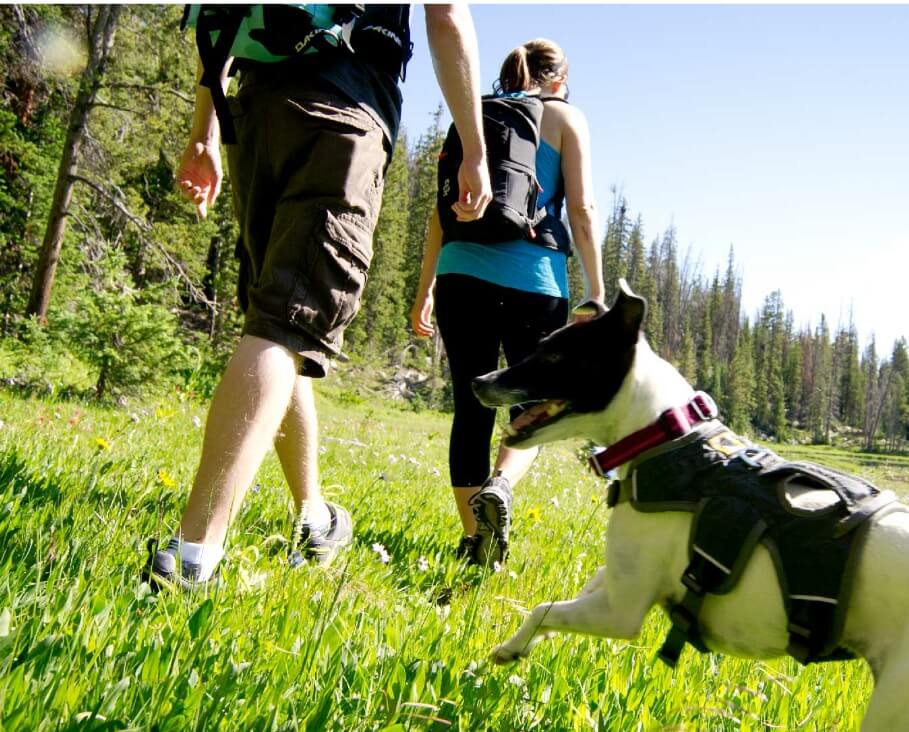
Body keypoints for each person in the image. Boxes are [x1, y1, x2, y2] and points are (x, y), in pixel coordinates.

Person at [143, 4, 492, 590]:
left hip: (256, 107)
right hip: (344, 106)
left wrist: (204, 128)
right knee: (284, 327)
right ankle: (191, 556)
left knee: (280, 328)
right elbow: (447, 15)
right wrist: (474, 150)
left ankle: (314, 516)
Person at [410, 39, 605, 568]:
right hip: (535, 279)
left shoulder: (473, 114)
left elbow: (440, 210)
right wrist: (596, 290)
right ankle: (502, 483)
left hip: (459, 274)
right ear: (559, 79)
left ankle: (476, 538)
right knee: (534, 409)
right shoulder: (565, 118)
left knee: (471, 407)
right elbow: (582, 209)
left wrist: (425, 286)